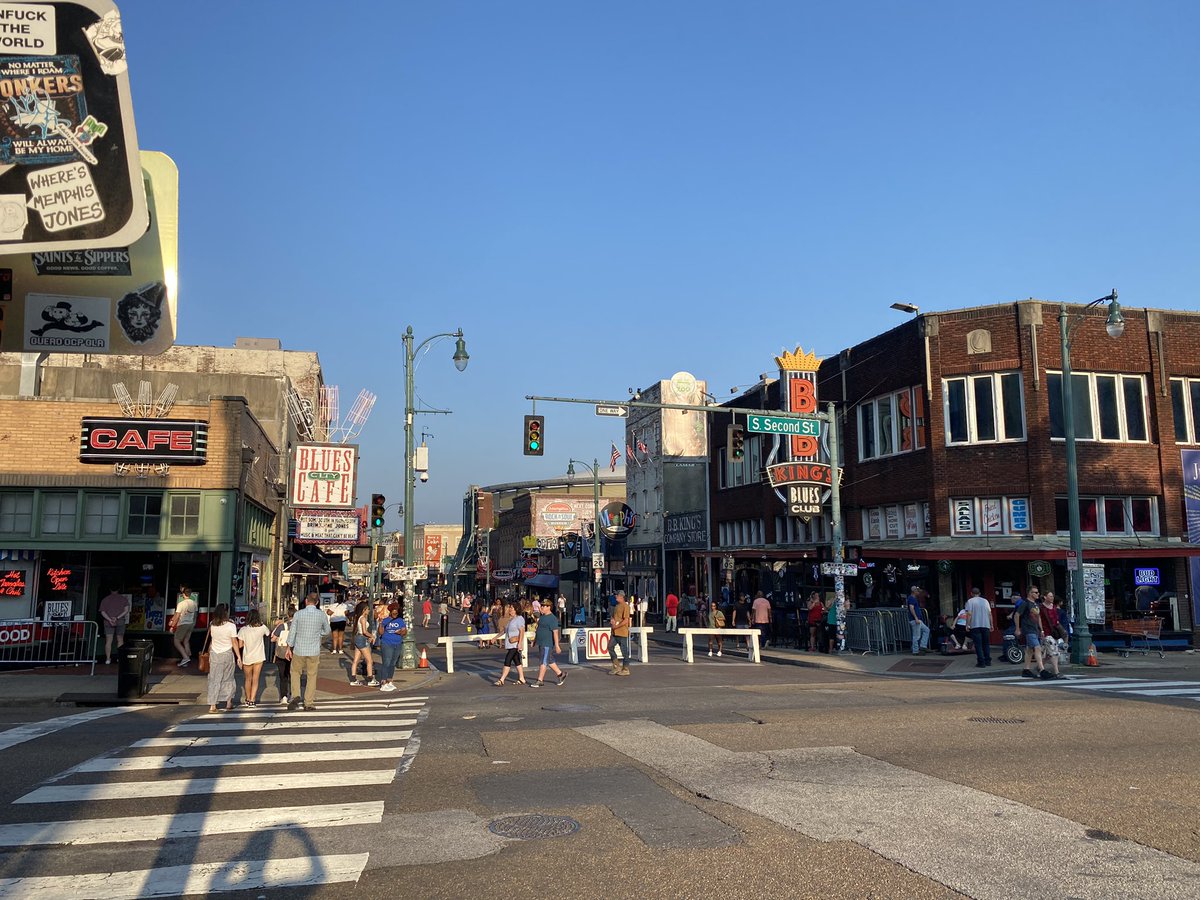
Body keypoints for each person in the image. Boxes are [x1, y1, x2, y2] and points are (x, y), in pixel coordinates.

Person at [285, 591, 331, 710]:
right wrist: (318, 634)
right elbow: (327, 631)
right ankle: (308, 702)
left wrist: (289, 647)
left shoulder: (298, 614)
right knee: (312, 675)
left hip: (299, 649)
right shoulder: (321, 615)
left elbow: (292, 632)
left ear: (306, 601)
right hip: (314, 650)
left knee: (295, 673)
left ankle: (296, 695)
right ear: (317, 602)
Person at [205, 603, 242, 713]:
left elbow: (212, 641)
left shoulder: (212, 625)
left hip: (215, 653)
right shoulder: (231, 626)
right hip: (227, 653)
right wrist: (238, 657)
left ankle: (212, 705)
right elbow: (234, 642)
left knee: (214, 679)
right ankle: (228, 702)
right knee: (228, 678)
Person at [1014, 587, 1052, 679]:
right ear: (1030, 593)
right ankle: (1042, 669)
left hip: (1035, 629)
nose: (1038, 594)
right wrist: (1017, 628)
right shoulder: (1025, 603)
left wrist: (1041, 630)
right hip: (1028, 629)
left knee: (1030, 650)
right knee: (1037, 647)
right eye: (1036, 592)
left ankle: (1026, 670)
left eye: (1038, 592)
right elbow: (1017, 615)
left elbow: (1038, 618)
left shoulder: (1035, 604)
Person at [529, 599, 567, 688]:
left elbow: (555, 633)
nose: (541, 607)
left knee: (543, 661)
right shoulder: (542, 617)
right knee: (549, 660)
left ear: (548, 607)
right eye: (541, 605)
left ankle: (540, 680)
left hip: (547, 643)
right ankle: (561, 674)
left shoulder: (552, 619)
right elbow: (538, 629)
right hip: (541, 642)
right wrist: (534, 640)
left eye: (543, 606)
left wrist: (557, 645)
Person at [237, 610, 269, 707]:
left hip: (247, 657)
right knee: (256, 679)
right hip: (259, 656)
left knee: (248, 679)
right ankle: (252, 699)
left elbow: (240, 645)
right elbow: (268, 633)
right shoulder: (262, 628)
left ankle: (247, 698)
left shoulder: (243, 630)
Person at [495, 603, 528, 686]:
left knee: (507, 660)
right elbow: (504, 631)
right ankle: (522, 678)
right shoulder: (511, 620)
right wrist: (495, 637)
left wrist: (520, 643)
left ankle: (501, 679)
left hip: (515, 644)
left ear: (516, 609)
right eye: (510, 608)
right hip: (510, 644)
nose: (510, 609)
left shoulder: (519, 619)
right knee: (517, 661)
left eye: (512, 608)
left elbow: (522, 631)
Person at [377, 601, 407, 692]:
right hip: (387, 643)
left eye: (396, 612)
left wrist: (400, 632)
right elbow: (380, 633)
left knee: (393, 663)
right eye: (394, 612)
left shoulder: (400, 620)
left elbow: (405, 632)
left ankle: (389, 680)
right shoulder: (385, 620)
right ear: (390, 612)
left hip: (397, 643)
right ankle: (383, 682)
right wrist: (381, 624)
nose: (395, 613)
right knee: (386, 662)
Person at [349, 600, 379, 686]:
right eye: (367, 609)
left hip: (358, 638)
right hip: (362, 638)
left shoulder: (359, 618)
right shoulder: (363, 618)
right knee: (369, 660)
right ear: (363, 610)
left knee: (356, 660)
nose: (369, 611)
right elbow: (365, 631)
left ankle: (353, 679)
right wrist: (371, 636)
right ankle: (370, 679)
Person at [98, 586, 130, 665]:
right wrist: (117, 618)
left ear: (110, 589)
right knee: (120, 639)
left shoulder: (105, 599)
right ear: (119, 589)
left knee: (108, 640)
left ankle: (108, 659)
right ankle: (120, 658)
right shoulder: (123, 599)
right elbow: (126, 610)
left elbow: (102, 612)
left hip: (108, 622)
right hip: (120, 621)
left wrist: (109, 619)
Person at [270, 606, 294, 704]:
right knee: (293, 675)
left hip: (282, 652)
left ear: (288, 615)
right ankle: (293, 694)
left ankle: (284, 696)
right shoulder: (299, 626)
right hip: (294, 651)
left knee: (283, 675)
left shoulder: (282, 626)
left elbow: (272, 638)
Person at [965, 587, 993, 668]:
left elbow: (969, 614)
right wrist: (991, 624)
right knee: (986, 643)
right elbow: (989, 614)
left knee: (978, 644)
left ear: (971, 593)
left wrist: (967, 625)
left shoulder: (970, 601)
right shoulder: (985, 601)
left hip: (975, 625)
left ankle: (981, 662)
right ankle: (988, 661)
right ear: (979, 593)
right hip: (986, 625)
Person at [170, 584, 197, 666]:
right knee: (186, 641)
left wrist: (172, 626)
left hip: (183, 624)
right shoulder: (194, 603)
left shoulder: (181, 604)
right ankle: (187, 657)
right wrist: (193, 624)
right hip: (191, 624)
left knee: (176, 641)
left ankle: (185, 658)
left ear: (183, 594)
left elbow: (177, 616)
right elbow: (195, 615)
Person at [609, 590, 632, 676]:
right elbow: (614, 617)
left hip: (622, 632)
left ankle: (625, 669)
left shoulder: (625, 606)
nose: (615, 597)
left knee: (624, 651)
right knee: (610, 647)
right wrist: (612, 620)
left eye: (617, 595)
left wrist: (616, 626)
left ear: (621, 597)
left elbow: (626, 620)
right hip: (615, 633)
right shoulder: (616, 606)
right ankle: (616, 666)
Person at [906, 585, 930, 655]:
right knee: (916, 636)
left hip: (918, 619)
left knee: (926, 630)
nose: (918, 592)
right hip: (915, 620)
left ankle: (922, 646)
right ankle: (915, 651)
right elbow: (911, 608)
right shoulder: (912, 598)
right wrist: (916, 618)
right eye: (917, 591)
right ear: (914, 591)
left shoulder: (913, 598)